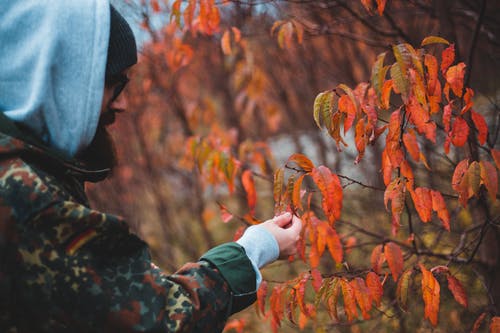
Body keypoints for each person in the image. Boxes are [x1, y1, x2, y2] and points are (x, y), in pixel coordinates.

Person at [0, 2, 302, 332]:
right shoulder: (27, 196)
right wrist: (256, 248)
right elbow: (155, 320)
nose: (122, 103)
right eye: (114, 82)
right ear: (60, 78)